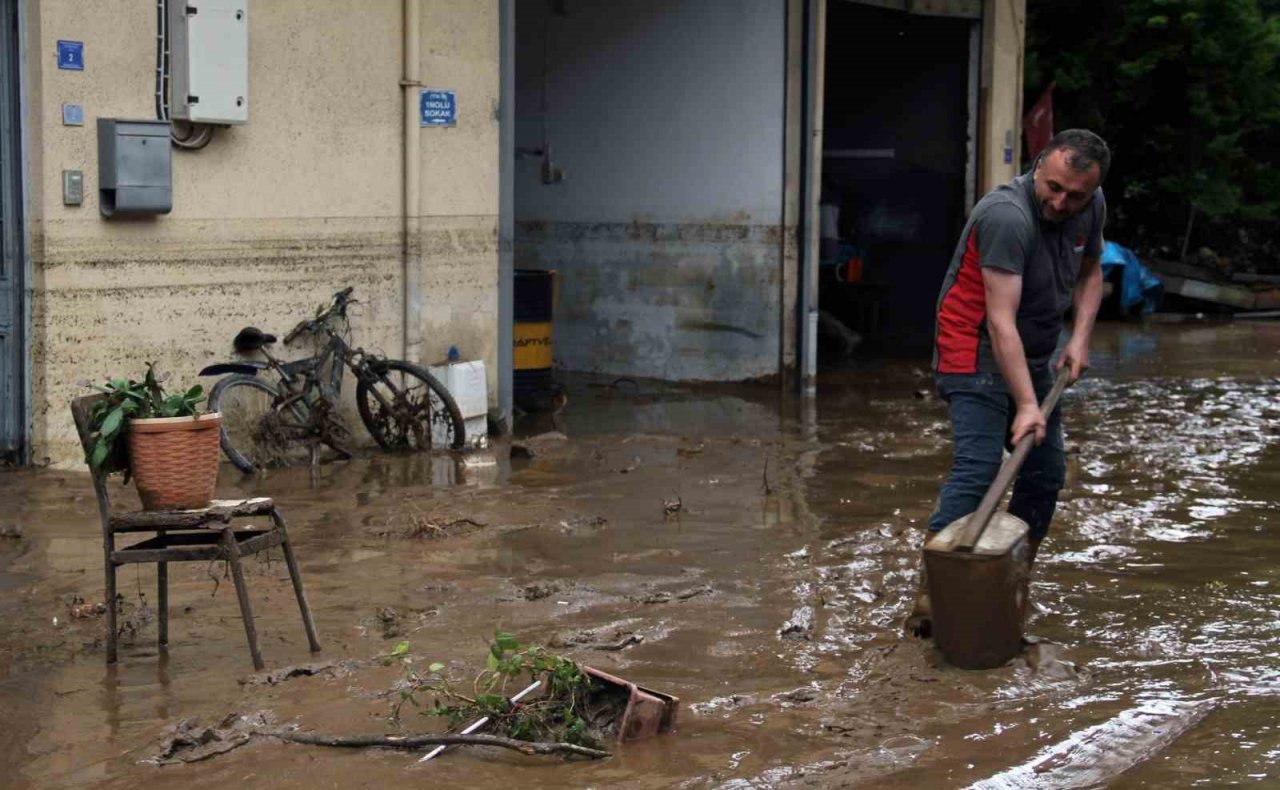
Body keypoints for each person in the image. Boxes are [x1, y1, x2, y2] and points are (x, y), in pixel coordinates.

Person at [907, 129, 1110, 637]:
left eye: (1075, 195)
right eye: (1054, 187)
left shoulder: (1091, 204)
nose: (1061, 202)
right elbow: (1000, 321)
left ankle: (1010, 578)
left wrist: (1080, 339)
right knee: (979, 469)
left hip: (1037, 350)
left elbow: (1090, 273)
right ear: (1038, 164)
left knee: (1044, 475)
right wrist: (1026, 403)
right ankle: (933, 596)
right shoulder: (1006, 216)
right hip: (971, 347)